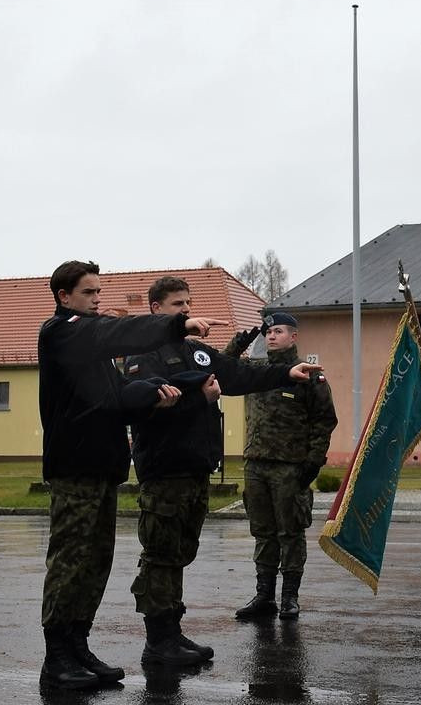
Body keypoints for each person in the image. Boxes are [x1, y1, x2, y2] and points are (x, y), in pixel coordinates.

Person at [37, 260, 226, 690]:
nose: (97, 299)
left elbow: (119, 396)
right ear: (64, 297)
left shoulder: (92, 348)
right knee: (71, 562)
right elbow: (114, 332)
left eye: (99, 292)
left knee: (95, 562)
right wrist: (177, 324)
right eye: (89, 293)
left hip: (103, 467)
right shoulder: (62, 332)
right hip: (74, 468)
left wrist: (152, 396)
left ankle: (78, 647)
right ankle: (56, 659)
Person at [125, 278, 322, 665]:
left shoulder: (194, 351)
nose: (184, 309)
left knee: (179, 554)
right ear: (155, 309)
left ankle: (173, 632)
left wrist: (285, 373)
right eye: (175, 304)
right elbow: (148, 403)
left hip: (194, 471)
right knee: (161, 557)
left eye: (188, 302)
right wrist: (200, 397)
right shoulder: (141, 355)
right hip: (165, 472)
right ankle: (157, 641)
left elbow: (237, 374)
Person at [231, 312, 337, 621]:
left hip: (290, 467)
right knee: (263, 532)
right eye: (268, 332)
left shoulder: (309, 374)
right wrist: (242, 340)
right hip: (256, 463)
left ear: (294, 336)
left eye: (278, 331)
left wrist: (313, 463)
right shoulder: (255, 370)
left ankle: (290, 596)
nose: (271, 337)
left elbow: (324, 421)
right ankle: (264, 596)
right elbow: (221, 366)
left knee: (290, 532)